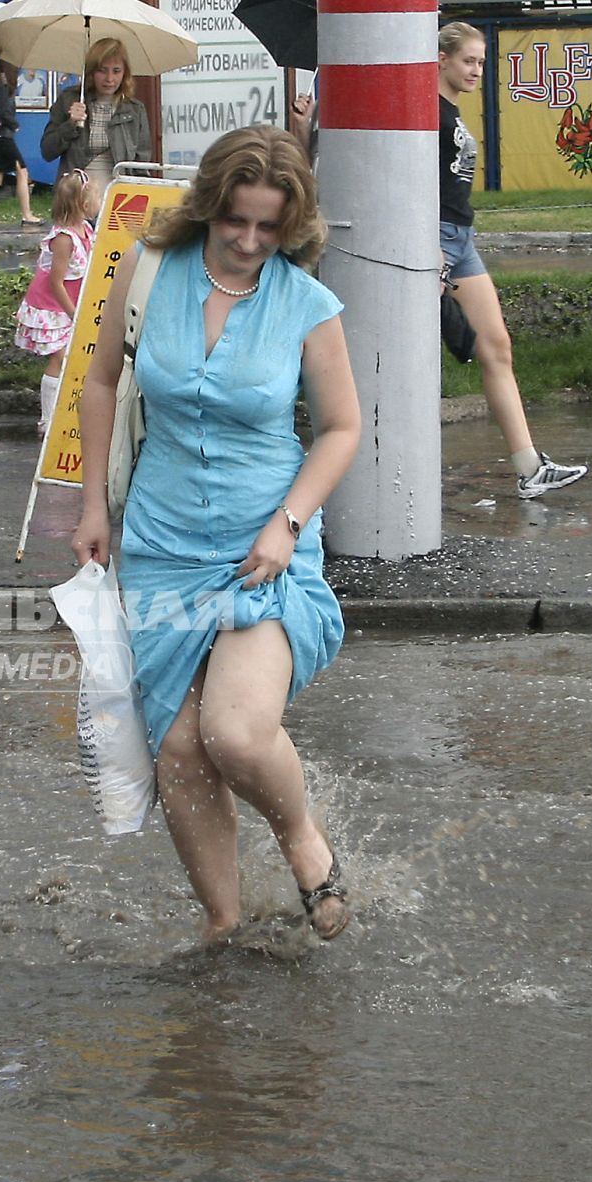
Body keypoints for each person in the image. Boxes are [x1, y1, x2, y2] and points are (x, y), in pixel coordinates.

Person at [70, 126, 361, 945]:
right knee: (180, 753)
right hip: (160, 541)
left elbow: (341, 429)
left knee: (233, 732)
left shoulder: (306, 304)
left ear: (292, 225)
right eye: (236, 220)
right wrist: (94, 506)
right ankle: (224, 924)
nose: (248, 241)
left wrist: (288, 523)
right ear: (209, 205)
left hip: (261, 543)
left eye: (269, 227)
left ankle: (302, 837)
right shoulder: (149, 268)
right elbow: (98, 382)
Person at [439, 21, 587, 499]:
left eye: (481, 62)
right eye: (468, 60)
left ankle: (530, 468)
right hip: (434, 237)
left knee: (497, 346)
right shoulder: (422, 111)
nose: (477, 70)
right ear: (441, 59)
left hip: (461, 237)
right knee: (411, 356)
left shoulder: (452, 111)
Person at [15, 170, 100, 437]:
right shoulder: (63, 238)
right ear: (83, 204)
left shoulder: (86, 229)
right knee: (60, 358)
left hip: (72, 303)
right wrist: (74, 313)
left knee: (73, 358)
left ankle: (66, 410)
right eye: (96, 196)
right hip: (54, 306)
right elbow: (56, 282)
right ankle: (48, 418)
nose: (100, 201)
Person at [40, 38, 152, 186]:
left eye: (116, 71)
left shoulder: (134, 110)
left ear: (125, 73)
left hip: (117, 197)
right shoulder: (69, 100)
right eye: (102, 70)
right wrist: (70, 124)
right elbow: (47, 151)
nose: (109, 79)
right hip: (76, 195)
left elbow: (141, 164)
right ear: (91, 72)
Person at [0, 61, 39, 227]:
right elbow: (4, 113)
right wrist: (15, 125)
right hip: (3, 137)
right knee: (22, 172)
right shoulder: (4, 88)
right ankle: (27, 215)